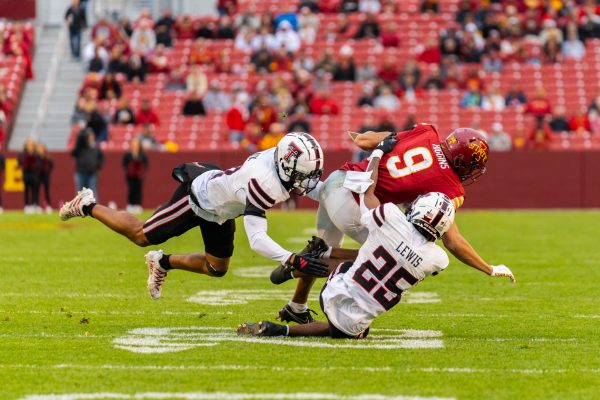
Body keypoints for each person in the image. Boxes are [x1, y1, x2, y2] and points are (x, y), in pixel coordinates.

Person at [239, 150, 515, 338]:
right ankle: (303, 274)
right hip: (356, 300)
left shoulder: (393, 212)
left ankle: (311, 270)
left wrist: (377, 153)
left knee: (375, 252)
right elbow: (451, 242)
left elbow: (370, 192)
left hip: (341, 191)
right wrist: (489, 268)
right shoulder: (438, 259)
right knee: (376, 265)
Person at [59, 133, 329, 300]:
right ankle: (87, 205)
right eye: (304, 175)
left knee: (217, 268)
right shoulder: (264, 180)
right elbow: (257, 239)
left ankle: (163, 262)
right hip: (198, 198)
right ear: (285, 165)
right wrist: (291, 259)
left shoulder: (280, 162)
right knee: (142, 235)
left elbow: (318, 188)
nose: (307, 181)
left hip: (221, 210)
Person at [71, 129, 103, 195]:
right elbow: (73, 153)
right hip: (80, 173)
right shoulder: (81, 146)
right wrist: (79, 142)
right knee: (80, 194)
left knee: (92, 194)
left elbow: (101, 157)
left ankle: (92, 205)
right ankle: (81, 206)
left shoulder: (95, 146)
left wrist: (97, 165)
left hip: (92, 173)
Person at [123, 138, 148, 213]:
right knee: (131, 189)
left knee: (138, 190)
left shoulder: (142, 154)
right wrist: (130, 169)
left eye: (136, 144)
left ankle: (138, 205)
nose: (135, 146)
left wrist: (141, 170)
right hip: (130, 176)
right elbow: (124, 164)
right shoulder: (128, 154)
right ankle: (131, 205)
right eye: (133, 144)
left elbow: (146, 164)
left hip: (139, 176)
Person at [18, 138, 40, 213]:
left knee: (35, 190)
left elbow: (39, 163)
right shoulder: (22, 154)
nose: (30, 146)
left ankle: (35, 204)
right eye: (28, 145)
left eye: (31, 145)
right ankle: (27, 205)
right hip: (26, 174)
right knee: (26, 190)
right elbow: (19, 162)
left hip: (34, 174)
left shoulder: (36, 154)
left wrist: (34, 165)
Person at [36, 143, 54, 213]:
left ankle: (48, 205)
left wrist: (47, 170)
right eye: (39, 148)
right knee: (36, 190)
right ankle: (36, 205)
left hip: (46, 176)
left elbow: (51, 165)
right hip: (38, 175)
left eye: (42, 148)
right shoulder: (36, 157)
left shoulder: (47, 157)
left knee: (47, 190)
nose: (40, 150)